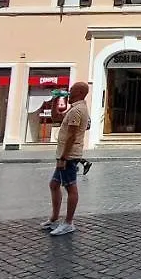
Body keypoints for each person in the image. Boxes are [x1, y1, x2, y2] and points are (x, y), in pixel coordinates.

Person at [39, 82, 90, 236]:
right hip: (65, 154)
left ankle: (68, 222)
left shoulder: (77, 110)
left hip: (68, 155)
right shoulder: (74, 108)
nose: (69, 92)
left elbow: (72, 135)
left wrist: (63, 157)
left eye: (72, 90)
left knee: (70, 187)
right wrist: (55, 100)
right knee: (54, 184)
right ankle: (54, 218)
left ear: (80, 92)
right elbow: (56, 117)